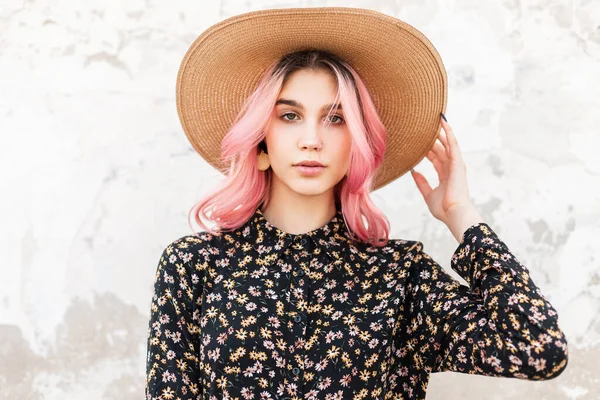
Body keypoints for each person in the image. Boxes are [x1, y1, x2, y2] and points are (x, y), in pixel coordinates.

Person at [144, 7, 569, 400]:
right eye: (289, 116)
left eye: (336, 118)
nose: (312, 138)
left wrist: (460, 214)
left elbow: (538, 348)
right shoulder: (193, 266)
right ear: (260, 142)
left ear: (358, 145)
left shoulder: (400, 276)